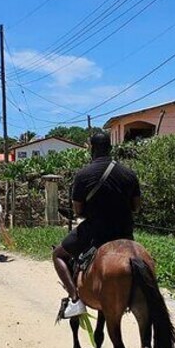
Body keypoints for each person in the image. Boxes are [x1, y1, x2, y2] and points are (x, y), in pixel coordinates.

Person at [53, 131, 141, 318]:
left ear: (91, 149)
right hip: (125, 232)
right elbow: (136, 207)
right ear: (111, 148)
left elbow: (78, 211)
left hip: (95, 232)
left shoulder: (83, 175)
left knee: (58, 254)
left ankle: (75, 299)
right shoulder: (129, 174)